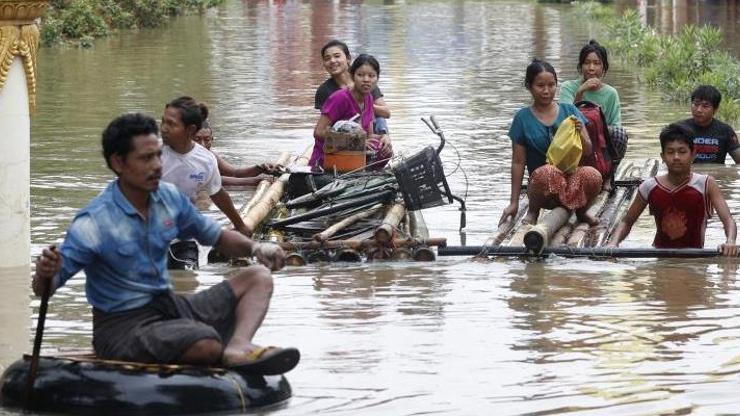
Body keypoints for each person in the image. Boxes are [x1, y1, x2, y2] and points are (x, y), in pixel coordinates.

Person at [32, 113, 300, 374]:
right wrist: (46, 273)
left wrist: (255, 248)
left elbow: (215, 236)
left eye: (158, 155)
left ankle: (238, 345)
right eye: (146, 158)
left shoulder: (168, 198)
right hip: (122, 326)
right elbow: (45, 289)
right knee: (205, 342)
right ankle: (214, 344)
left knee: (258, 278)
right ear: (118, 163)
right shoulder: (94, 222)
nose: (157, 165)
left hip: (169, 306)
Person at [499, 59, 602, 227]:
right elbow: (518, 162)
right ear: (529, 86)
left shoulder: (570, 111)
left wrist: (581, 134)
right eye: (540, 86)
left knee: (593, 175)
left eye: (551, 85)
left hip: (572, 184)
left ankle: (582, 212)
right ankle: (533, 211)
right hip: (543, 188)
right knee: (548, 172)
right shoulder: (522, 118)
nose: (546, 91)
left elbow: (589, 151)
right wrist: (513, 203)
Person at [607, 123, 737, 256]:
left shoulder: (706, 184)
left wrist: (730, 241)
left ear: (693, 154)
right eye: (670, 152)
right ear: (662, 156)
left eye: (682, 152)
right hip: (660, 256)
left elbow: (728, 220)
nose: (676, 157)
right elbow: (627, 221)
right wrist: (614, 243)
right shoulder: (649, 187)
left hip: (697, 259)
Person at [160, 96, 252, 236]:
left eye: (171, 124)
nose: (164, 129)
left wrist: (240, 226)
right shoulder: (149, 153)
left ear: (190, 130)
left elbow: (218, 193)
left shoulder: (206, 160)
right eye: (163, 122)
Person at [312, 53, 392, 170]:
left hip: (351, 156)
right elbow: (318, 132)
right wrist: (355, 142)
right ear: (352, 76)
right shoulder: (340, 98)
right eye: (360, 75)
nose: (366, 80)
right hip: (328, 158)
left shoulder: (368, 98)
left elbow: (369, 136)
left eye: (371, 76)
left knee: (383, 148)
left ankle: (363, 172)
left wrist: (384, 137)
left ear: (377, 78)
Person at [315, 39, 391, 137]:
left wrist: (364, 105)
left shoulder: (365, 83)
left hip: (366, 128)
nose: (332, 61)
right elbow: (323, 127)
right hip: (342, 133)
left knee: (380, 119)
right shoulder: (326, 91)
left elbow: (386, 113)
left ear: (348, 59)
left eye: (337, 56)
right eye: (327, 58)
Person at [193, 120, 282, 187]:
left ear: (212, 139)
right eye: (197, 139)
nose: (202, 145)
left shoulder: (210, 155)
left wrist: (260, 168)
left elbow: (234, 173)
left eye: (207, 140)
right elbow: (211, 180)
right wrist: (253, 181)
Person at [558, 40, 621, 126]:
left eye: (597, 63)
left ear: (604, 67)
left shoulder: (611, 93)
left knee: (620, 134)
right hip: (574, 135)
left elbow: (616, 125)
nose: (591, 68)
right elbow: (565, 121)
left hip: (601, 136)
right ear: (581, 66)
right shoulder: (567, 87)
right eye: (587, 63)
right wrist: (580, 92)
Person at [679, 85, 740, 164]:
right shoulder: (680, 129)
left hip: (716, 175)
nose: (699, 110)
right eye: (696, 104)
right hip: (688, 175)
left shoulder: (725, 130)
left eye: (705, 106)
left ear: (715, 109)